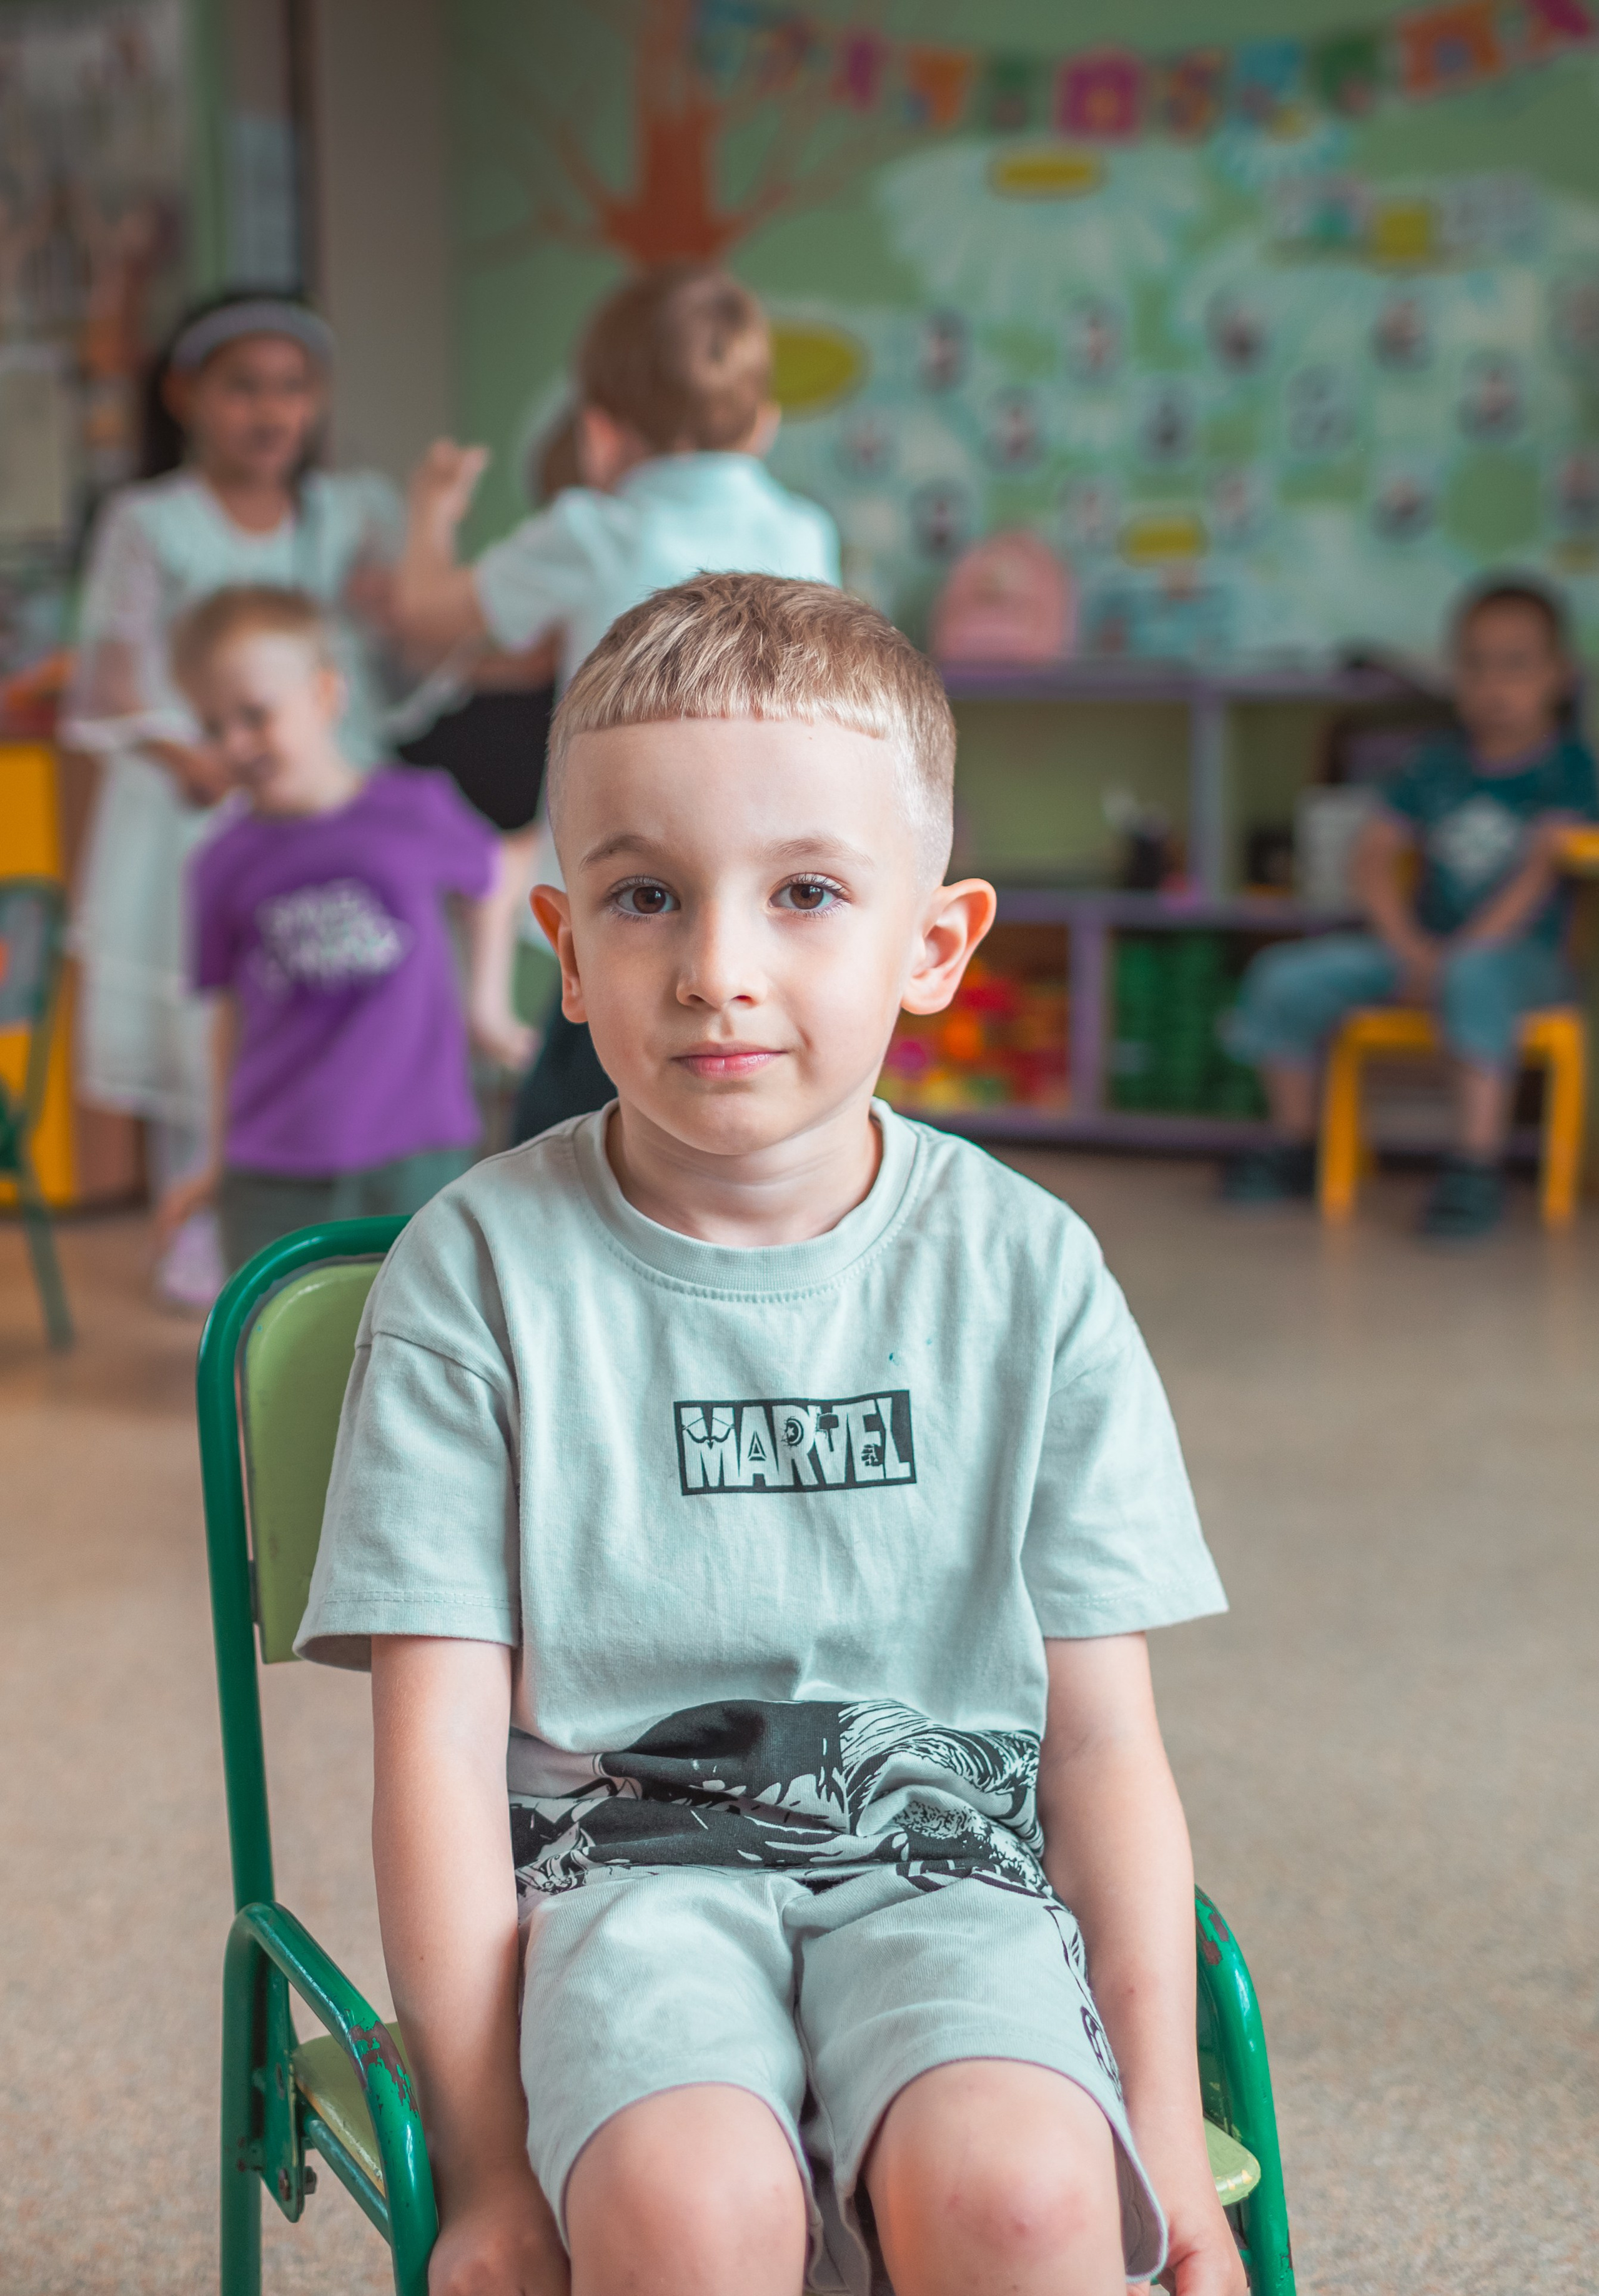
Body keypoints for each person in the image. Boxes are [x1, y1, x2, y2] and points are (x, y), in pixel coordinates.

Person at [295, 574, 1240, 2296]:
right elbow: (434, 1764)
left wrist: (1158, 2112)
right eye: (647, 894)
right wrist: (492, 2172)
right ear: (568, 951)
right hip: (612, 1891)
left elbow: (1102, 1747)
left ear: (936, 945)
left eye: (807, 891)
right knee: (685, 2212)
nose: (719, 968)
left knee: (1029, 2200)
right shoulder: (478, 1273)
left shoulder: (1029, 1271)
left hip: (953, 1869)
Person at [390, 263, 841, 1143]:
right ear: (764, 424)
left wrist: (429, 512)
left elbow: (421, 619)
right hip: (770, 865)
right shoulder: (804, 531)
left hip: (631, 873)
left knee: (571, 1121)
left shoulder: (594, 530)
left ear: (599, 436)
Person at [63, 290, 413, 1305]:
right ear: (186, 396)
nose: (270, 412)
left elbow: (396, 640)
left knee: (330, 992)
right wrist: (193, 753)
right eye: (243, 388)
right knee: (209, 1008)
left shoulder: (346, 514)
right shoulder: (150, 521)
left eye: (292, 389)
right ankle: (202, 1213)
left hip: (324, 796)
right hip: (201, 801)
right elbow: (116, 674)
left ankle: (337, 1207)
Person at [1222, 579, 1598, 1238]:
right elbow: (1372, 857)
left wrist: (1454, 958)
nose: (1493, 685)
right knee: (1286, 976)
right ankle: (1294, 1145)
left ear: (1559, 675)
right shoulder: (1434, 764)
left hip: (1524, 964)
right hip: (1418, 950)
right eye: (1475, 664)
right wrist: (1408, 947)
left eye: (1515, 664)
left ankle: (1474, 1163)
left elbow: (1539, 874)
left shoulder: (1569, 768)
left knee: (1474, 974)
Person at [154, 586, 503, 1274]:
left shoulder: (416, 806)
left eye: (254, 715)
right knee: (278, 1365)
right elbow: (225, 1016)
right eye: (211, 726)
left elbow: (491, 874)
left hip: (418, 1152)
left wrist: (484, 1005)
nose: (234, 744)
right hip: (272, 1168)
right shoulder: (220, 861)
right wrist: (214, 1155)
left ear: (323, 694)